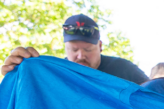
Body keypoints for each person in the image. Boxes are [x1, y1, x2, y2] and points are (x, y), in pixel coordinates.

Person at [1, 14, 148, 84]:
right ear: (65, 48)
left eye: (88, 49)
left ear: (100, 46)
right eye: (73, 49)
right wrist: (17, 76)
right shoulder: (53, 74)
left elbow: (153, 96)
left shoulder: (123, 69)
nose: (81, 55)